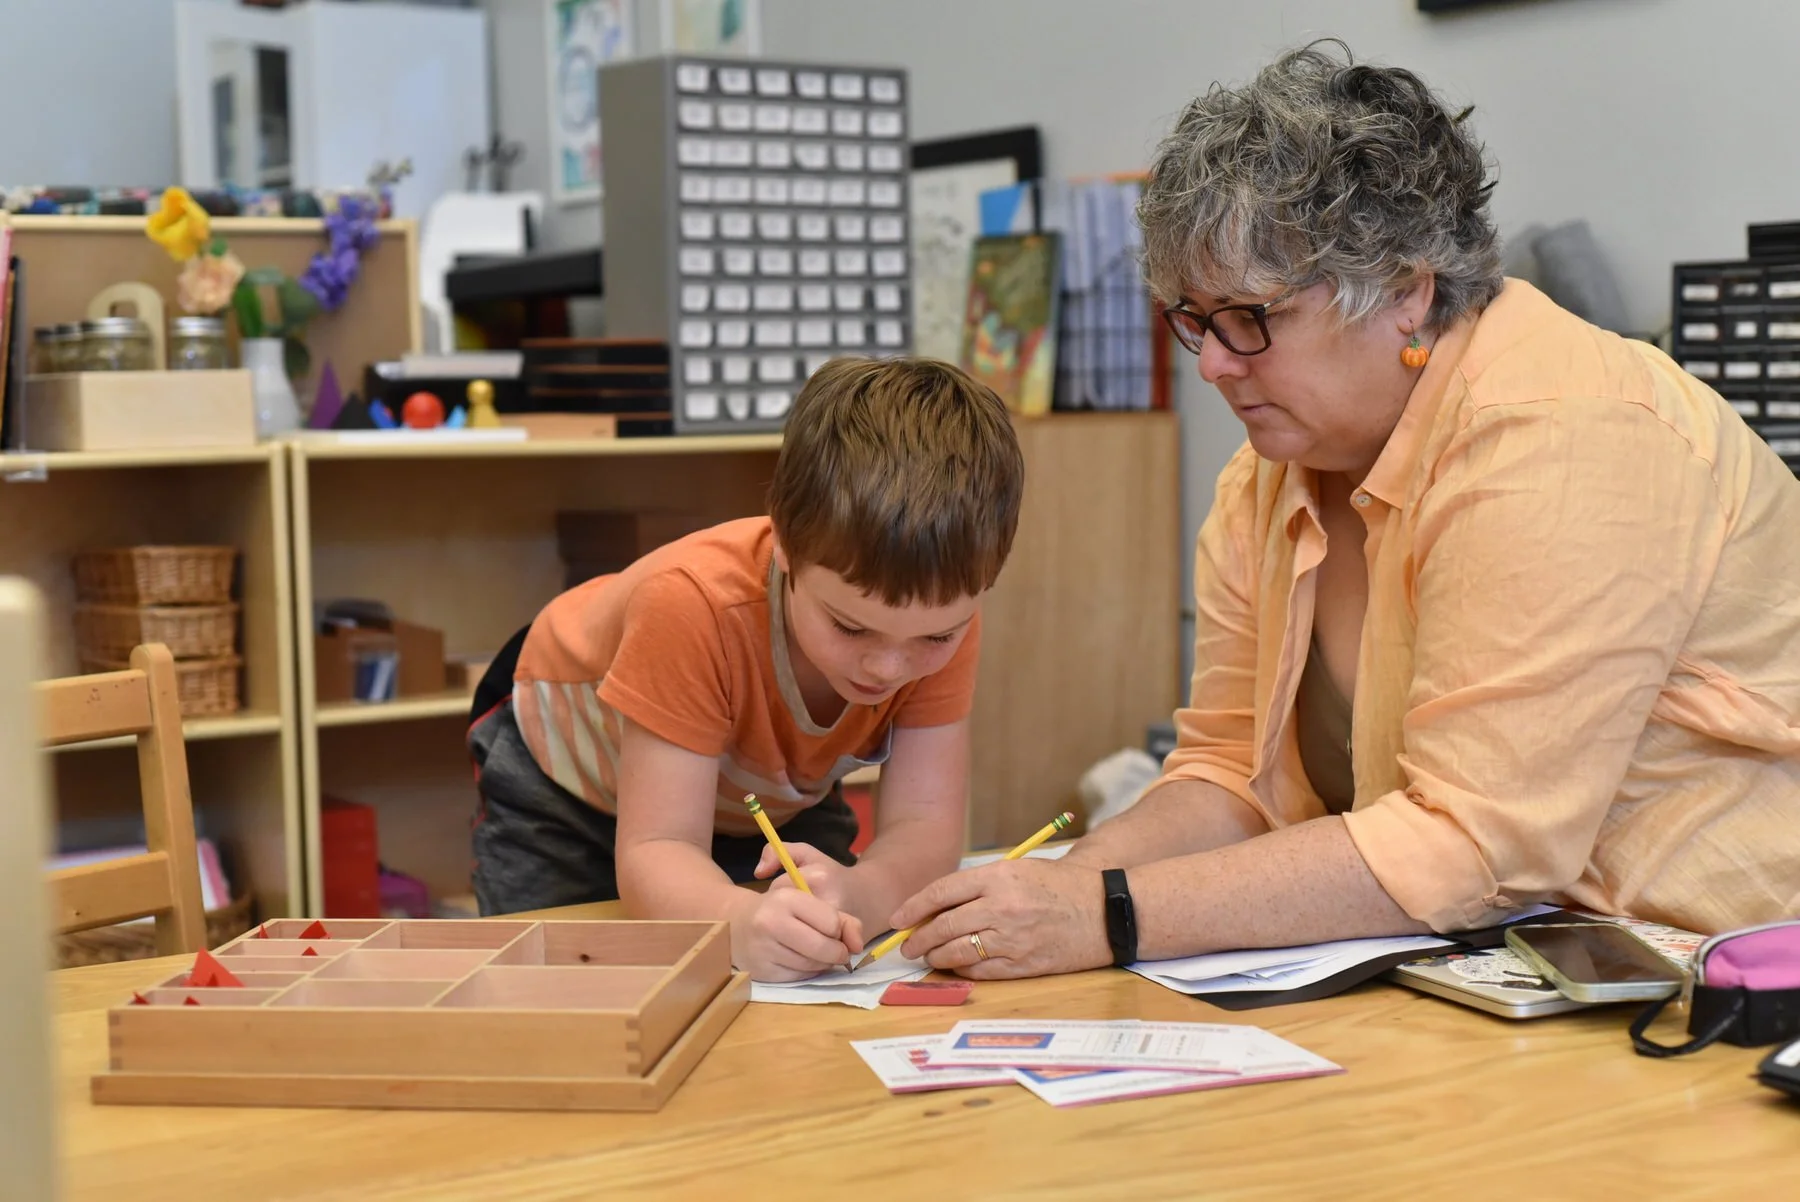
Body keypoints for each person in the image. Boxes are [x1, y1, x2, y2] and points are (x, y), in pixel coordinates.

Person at [891, 40, 1800, 980]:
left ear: (1407, 291)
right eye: (1193, 320)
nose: (1211, 364)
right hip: (1515, 970)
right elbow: (1227, 774)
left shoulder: (1562, 434)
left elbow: (1472, 845)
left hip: (1725, 976)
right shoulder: (1272, 475)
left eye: (1250, 318)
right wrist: (1061, 890)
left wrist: (1109, 915)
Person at [468, 357, 1025, 982]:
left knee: (797, 962)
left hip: (760, 791)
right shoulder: (691, 605)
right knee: (563, 984)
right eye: (849, 626)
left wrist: (862, 896)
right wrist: (735, 921)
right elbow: (657, 849)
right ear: (785, 545)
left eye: (936, 636)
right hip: (571, 790)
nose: (889, 666)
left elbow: (924, 827)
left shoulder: (942, 620)